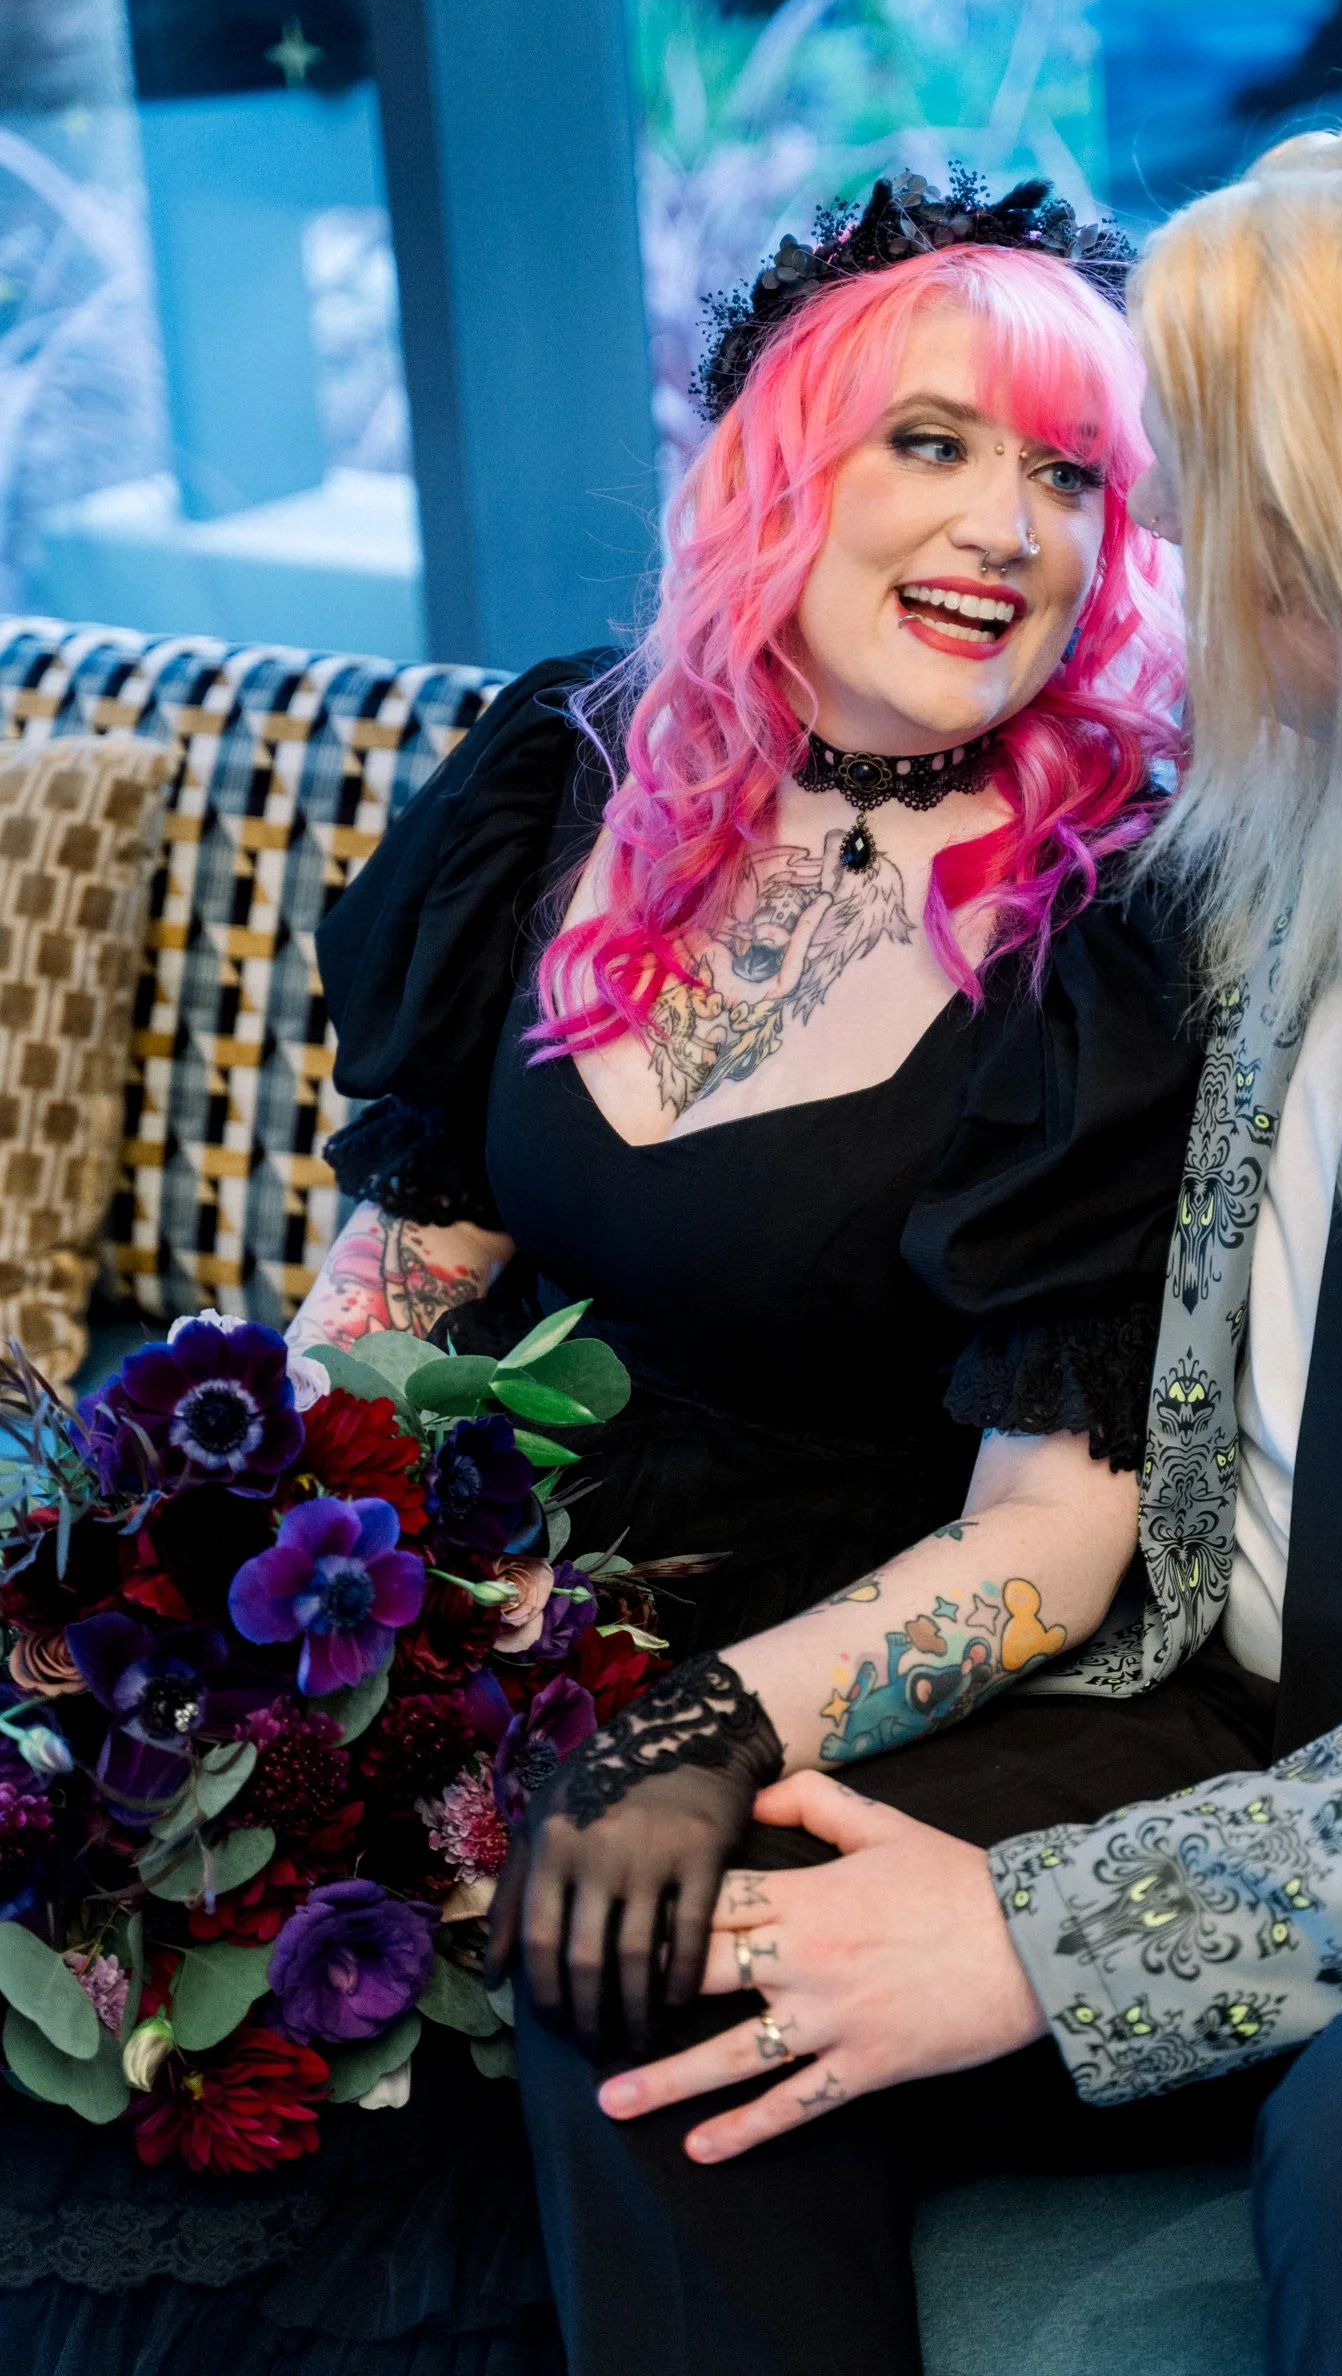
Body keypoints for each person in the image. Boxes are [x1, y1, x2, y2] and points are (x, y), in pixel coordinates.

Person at [552, 101, 1342, 2376]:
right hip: (1250, 1708)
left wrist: (1056, 1932)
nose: (1158, 532)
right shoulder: (1253, 846)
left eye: (1222, 484)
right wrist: (702, 1720)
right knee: (660, 1936)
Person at [0, 171, 1214, 2374]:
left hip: (793, 1677)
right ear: (780, 462)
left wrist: (690, 1729)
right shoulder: (568, 766)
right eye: (929, 442)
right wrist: (222, 1584)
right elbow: (412, 1261)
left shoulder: (1114, 914)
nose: (1006, 528)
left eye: (1069, 475)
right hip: (453, 1626)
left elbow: (1055, 1534)